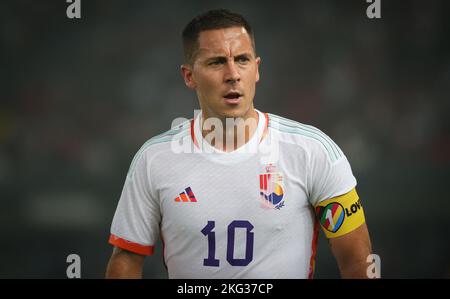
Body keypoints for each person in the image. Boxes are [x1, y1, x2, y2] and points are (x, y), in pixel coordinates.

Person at [105, 9, 373, 279]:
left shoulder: (313, 152)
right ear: (189, 76)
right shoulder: (154, 160)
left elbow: (357, 263)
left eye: (242, 60)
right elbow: (126, 261)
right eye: (217, 62)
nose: (232, 74)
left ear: (257, 69)